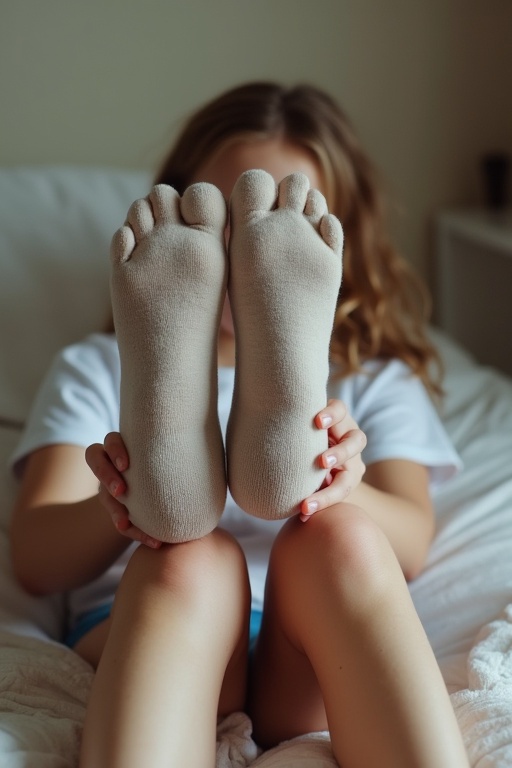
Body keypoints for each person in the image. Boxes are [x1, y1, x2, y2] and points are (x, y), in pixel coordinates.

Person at [9, 82, 470, 767]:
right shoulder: (102, 366)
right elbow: (36, 556)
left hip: (308, 645)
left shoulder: (372, 379)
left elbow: (412, 539)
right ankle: (173, 480)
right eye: (225, 215)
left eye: (281, 217)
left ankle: (273, 452)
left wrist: (343, 481)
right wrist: (122, 507)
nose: (245, 241)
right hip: (157, 631)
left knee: (339, 535)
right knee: (188, 554)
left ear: (334, 243)